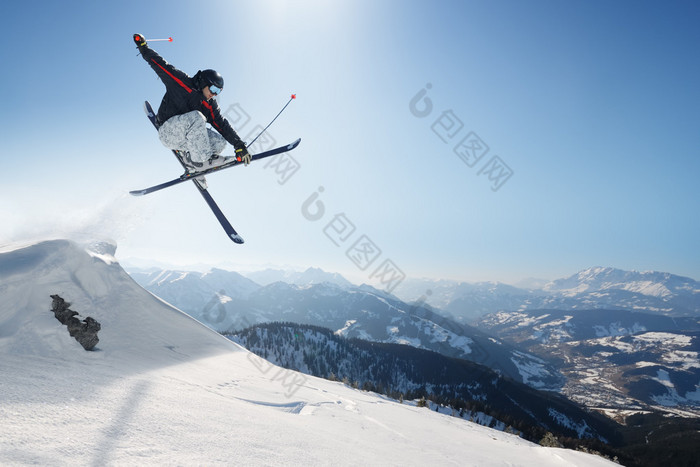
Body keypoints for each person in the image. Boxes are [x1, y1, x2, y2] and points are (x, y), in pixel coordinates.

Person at [133, 33, 251, 172]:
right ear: (204, 82)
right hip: (167, 131)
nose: (214, 94)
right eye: (213, 89)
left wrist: (239, 145)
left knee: (219, 143)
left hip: (186, 140)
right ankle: (201, 162)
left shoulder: (210, 104)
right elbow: (160, 64)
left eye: (218, 92)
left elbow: (222, 124)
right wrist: (143, 47)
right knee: (197, 117)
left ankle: (191, 160)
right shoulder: (182, 82)